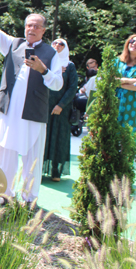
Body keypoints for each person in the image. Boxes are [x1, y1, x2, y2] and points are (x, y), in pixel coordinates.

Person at [0, 0, 63, 204]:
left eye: (36, 26)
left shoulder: (51, 53)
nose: (31, 29)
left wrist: (43, 70)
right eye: (28, 25)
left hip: (34, 113)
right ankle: (5, 193)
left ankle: (29, 198)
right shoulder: (13, 44)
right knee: (6, 153)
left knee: (33, 156)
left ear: (43, 30)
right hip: (9, 111)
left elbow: (58, 84)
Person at [43, 38, 78, 181]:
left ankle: (56, 171)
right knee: (42, 138)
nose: (57, 46)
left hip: (61, 109)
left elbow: (72, 88)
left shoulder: (69, 66)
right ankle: (38, 169)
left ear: (66, 47)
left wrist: (61, 105)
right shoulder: (46, 62)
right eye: (55, 43)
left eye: (61, 44)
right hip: (44, 106)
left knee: (59, 138)